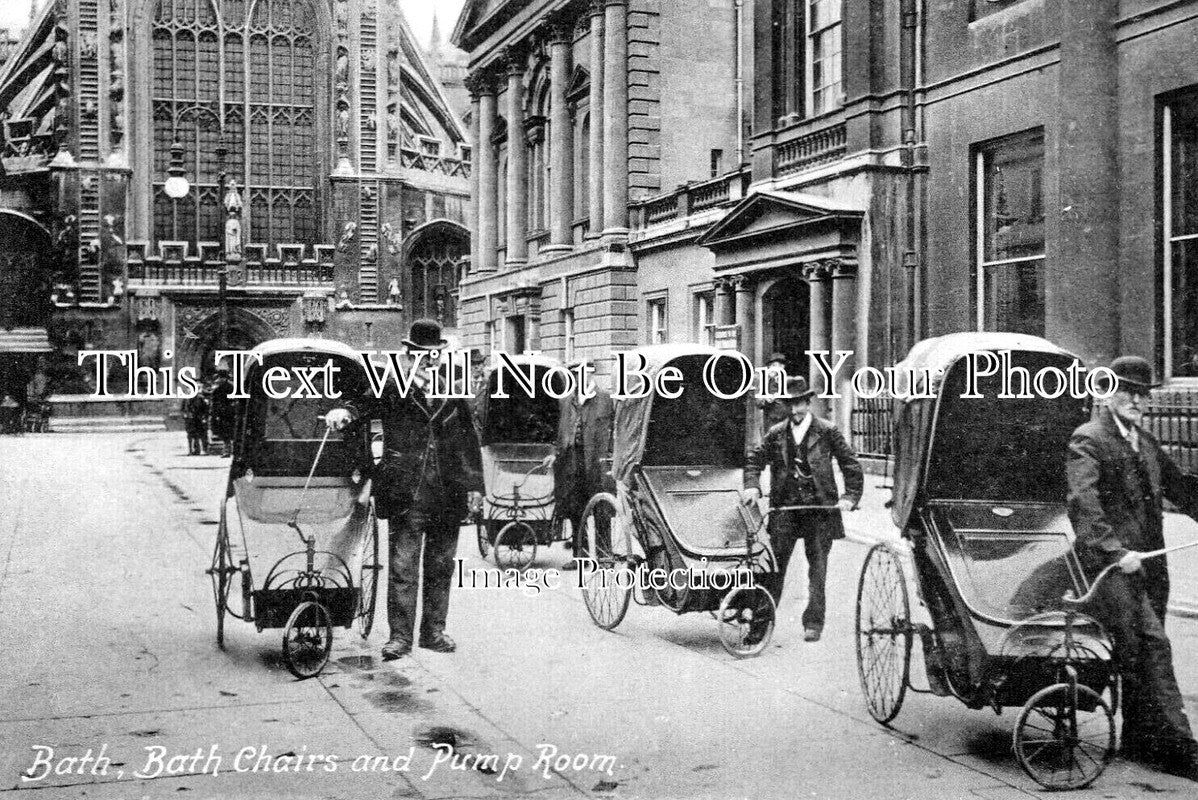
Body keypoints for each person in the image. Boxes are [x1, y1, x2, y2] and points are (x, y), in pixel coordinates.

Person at [1066, 355, 1198, 781]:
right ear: (1108, 393)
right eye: (1127, 391)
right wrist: (1113, 551)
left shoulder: (1145, 442)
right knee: (1152, 645)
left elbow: (1181, 487)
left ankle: (1142, 741)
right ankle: (1179, 747)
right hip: (1111, 568)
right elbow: (1083, 505)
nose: (1136, 401)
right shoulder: (1088, 439)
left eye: (1143, 394)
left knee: (1141, 651)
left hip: (1149, 567)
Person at [326, 319, 484, 662]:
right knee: (403, 566)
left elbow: (468, 439)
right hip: (405, 490)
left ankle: (433, 632)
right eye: (426, 355)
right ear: (409, 354)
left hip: (448, 491)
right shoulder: (392, 386)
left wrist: (474, 486)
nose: (432, 360)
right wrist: (344, 411)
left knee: (441, 565)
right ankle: (400, 637)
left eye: (436, 354)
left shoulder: (452, 389)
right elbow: (362, 404)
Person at [742, 376, 862, 642]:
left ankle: (813, 623)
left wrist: (850, 497)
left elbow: (850, 463)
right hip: (785, 510)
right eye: (792, 405)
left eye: (801, 404)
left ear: (809, 403)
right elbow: (754, 461)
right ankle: (760, 626)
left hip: (819, 510)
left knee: (817, 571)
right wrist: (752, 485)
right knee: (773, 570)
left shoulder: (827, 431)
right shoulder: (776, 433)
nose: (796, 410)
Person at [553, 366, 615, 566]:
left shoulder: (605, 398)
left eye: (582, 373)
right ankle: (581, 557)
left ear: (591, 374)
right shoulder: (567, 401)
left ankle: (604, 556)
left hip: (597, 464)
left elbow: (614, 431)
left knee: (601, 509)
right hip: (573, 464)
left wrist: (611, 458)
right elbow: (562, 433)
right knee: (575, 511)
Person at [756, 352, 791, 434]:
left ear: (783, 367)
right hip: (769, 419)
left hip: (784, 418)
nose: (775, 368)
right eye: (773, 365)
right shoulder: (764, 381)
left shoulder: (788, 381)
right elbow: (758, 403)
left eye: (779, 365)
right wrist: (766, 399)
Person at [209, 368, 235, 457]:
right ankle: (227, 450)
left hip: (230, 413)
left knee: (230, 432)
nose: (220, 379)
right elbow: (214, 402)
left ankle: (230, 450)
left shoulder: (231, 387)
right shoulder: (217, 389)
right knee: (224, 433)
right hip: (221, 414)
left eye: (222, 378)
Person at [184, 391, 210, 455]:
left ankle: (205, 450)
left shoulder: (201, 398)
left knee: (203, 435)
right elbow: (183, 409)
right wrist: (186, 415)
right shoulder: (186, 399)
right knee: (193, 435)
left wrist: (204, 417)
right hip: (191, 420)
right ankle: (195, 450)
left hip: (200, 419)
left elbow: (206, 409)